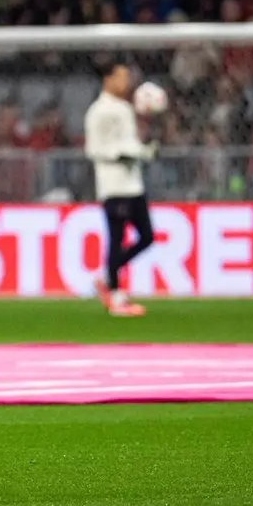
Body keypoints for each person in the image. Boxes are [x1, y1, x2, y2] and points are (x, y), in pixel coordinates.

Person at [83, 61, 157, 316]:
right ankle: (116, 298)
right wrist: (122, 154)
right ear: (108, 79)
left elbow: (130, 143)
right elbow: (93, 149)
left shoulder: (125, 108)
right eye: (121, 77)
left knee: (147, 236)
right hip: (113, 185)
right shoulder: (98, 111)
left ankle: (106, 275)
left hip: (133, 184)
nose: (126, 82)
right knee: (116, 239)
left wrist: (142, 151)